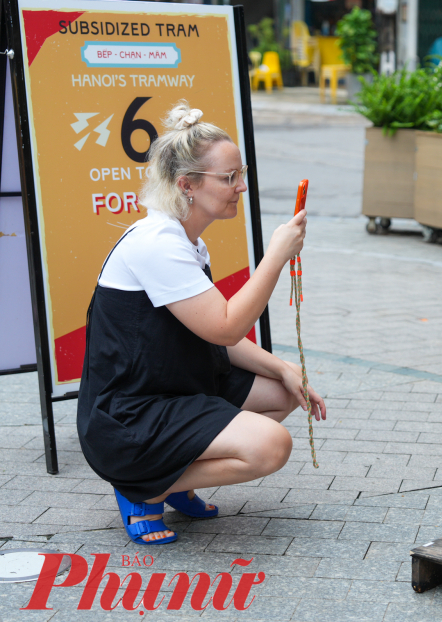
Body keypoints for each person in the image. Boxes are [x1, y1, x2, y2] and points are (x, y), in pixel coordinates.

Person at [77, 102, 327, 545]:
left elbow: (212, 335)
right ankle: (145, 487)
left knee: (281, 391)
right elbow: (226, 328)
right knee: (272, 446)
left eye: (240, 174)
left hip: (174, 387)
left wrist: (283, 368)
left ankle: (175, 478)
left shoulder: (183, 238)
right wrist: (275, 256)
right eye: (229, 177)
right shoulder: (158, 244)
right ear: (186, 185)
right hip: (131, 413)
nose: (240, 187)